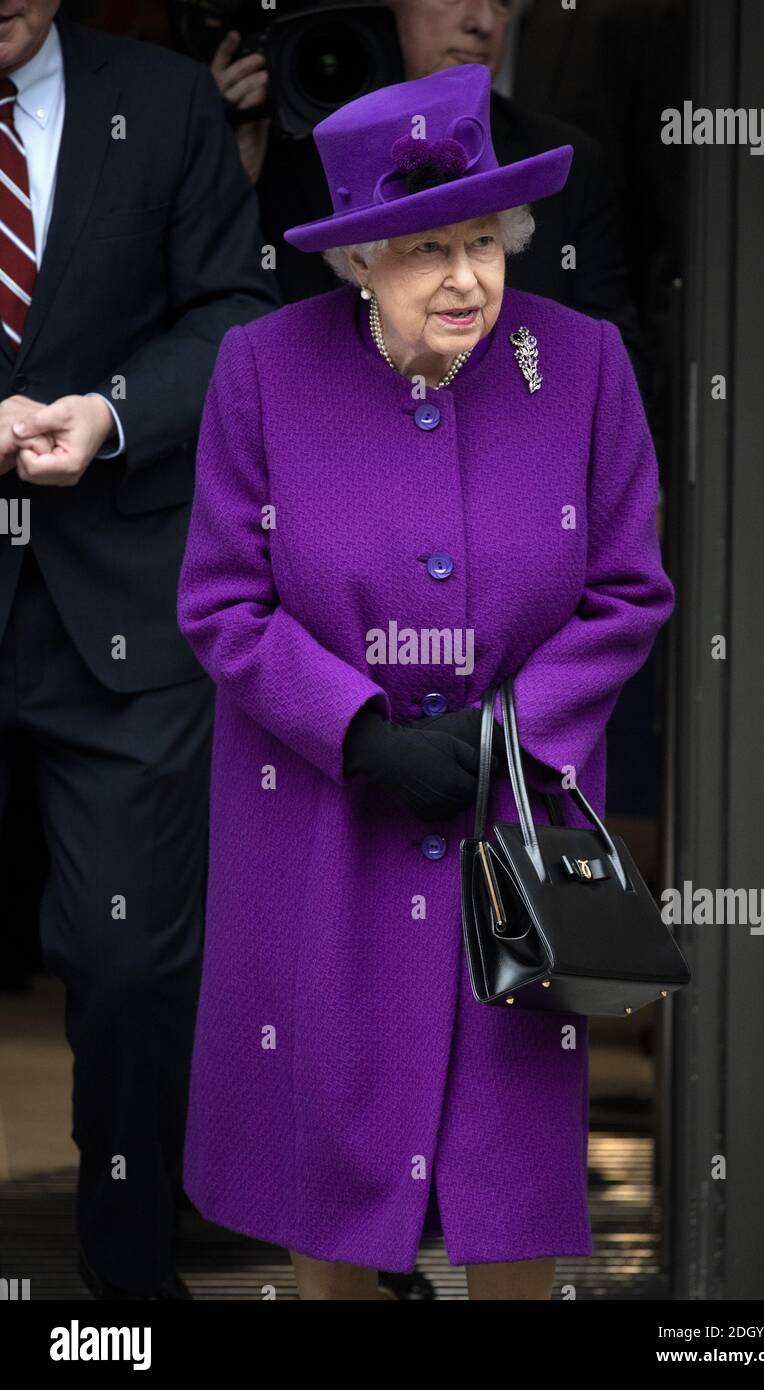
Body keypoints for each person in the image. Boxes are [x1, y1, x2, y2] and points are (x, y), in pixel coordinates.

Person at [177, 62, 674, 1300]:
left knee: (508, 1185)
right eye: (423, 252)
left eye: (482, 243)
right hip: (327, 828)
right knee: (331, 1164)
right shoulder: (261, 369)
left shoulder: (586, 364)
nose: (466, 278)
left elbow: (627, 589)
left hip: (512, 829)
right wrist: (356, 734)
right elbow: (222, 600)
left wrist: (516, 733)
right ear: (357, 265)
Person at [0, 1, 279, 1299]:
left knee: (129, 959)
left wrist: (110, 413)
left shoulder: (164, 104)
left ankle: (128, 1286)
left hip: (117, 605)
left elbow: (233, 309)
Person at [211, 0, 645, 382]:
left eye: (502, 2)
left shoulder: (565, 158)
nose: (483, 22)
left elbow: (613, 369)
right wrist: (228, 171)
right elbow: (223, 316)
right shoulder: (280, 150)